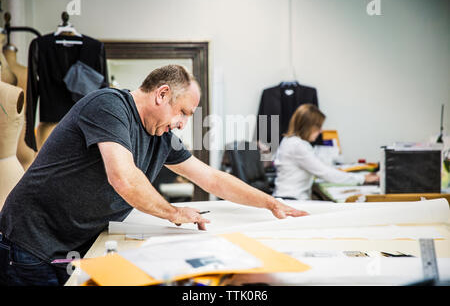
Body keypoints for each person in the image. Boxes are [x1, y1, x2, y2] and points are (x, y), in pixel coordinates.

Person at [0, 65, 308, 286]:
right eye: (184, 112)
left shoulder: (161, 136)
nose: (184, 123)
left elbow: (211, 178)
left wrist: (269, 202)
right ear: (162, 94)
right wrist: (174, 212)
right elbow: (123, 177)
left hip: (72, 243)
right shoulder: (108, 106)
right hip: (30, 241)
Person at [272, 104, 379, 201]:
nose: (321, 131)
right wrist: (363, 178)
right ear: (307, 126)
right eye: (318, 127)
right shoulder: (297, 145)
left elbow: (322, 168)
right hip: (292, 199)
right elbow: (325, 173)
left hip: (288, 197)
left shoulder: (290, 141)